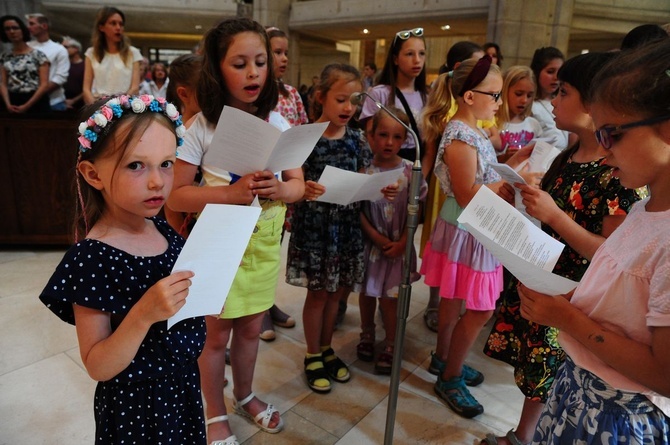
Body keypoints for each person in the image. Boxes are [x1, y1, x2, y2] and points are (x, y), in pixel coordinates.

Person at [481, 51, 645, 445]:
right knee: (537, 375)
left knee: (553, 374)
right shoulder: (567, 155)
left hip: (573, 294)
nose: (552, 101)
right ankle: (525, 433)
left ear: (595, 103)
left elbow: (609, 255)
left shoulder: (617, 172)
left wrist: (554, 216)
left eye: (563, 92)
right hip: (543, 277)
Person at [518, 39, 670, 444]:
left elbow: (663, 374)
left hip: (618, 414)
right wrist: (570, 302)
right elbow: (622, 288)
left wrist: (569, 319)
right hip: (578, 389)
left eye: (613, 134)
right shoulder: (645, 210)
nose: (604, 149)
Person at [38, 94, 205, 444]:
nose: (158, 181)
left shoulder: (161, 229)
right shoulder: (91, 259)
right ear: (92, 173)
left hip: (182, 386)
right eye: (135, 166)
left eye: (167, 163)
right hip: (137, 408)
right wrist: (143, 314)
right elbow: (98, 365)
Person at [168, 18, 305, 444]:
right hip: (218, 245)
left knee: (250, 328)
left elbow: (297, 184)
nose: (253, 73)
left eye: (260, 62)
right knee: (216, 336)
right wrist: (230, 194)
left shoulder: (278, 123)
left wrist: (280, 188)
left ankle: (245, 395)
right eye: (240, 63)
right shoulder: (200, 127)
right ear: (216, 68)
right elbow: (176, 196)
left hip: (263, 245)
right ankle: (214, 413)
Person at [419, 55, 537, 418]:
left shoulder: (471, 131)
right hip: (468, 228)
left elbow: (482, 175)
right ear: (469, 96)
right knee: (481, 307)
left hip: (466, 227)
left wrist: (515, 159)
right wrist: (514, 182)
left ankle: (444, 358)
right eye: (494, 95)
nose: (499, 103)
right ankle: (450, 377)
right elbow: (468, 192)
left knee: (454, 302)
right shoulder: (460, 135)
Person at [286, 63, 395, 394]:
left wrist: (379, 188)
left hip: (345, 227)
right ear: (321, 97)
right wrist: (305, 189)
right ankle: (312, 353)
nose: (349, 108)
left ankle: (327, 347)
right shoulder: (304, 138)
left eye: (355, 101)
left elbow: (362, 178)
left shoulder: (357, 139)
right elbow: (291, 183)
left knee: (337, 292)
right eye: (341, 100)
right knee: (318, 294)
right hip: (317, 228)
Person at [356, 106, 427, 374]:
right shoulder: (365, 172)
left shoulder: (410, 172)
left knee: (391, 298)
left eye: (396, 137)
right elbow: (359, 209)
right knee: (367, 293)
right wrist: (374, 236)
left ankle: (391, 341)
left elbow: (416, 209)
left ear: (405, 140)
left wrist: (404, 243)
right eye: (382, 135)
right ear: (370, 136)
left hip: (399, 246)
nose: (389, 142)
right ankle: (366, 333)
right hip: (371, 246)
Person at [420, 41, 484, 333]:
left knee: (458, 278)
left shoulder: (472, 122)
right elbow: (462, 191)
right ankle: (444, 349)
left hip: (466, 202)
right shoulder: (454, 125)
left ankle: (446, 350)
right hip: (454, 200)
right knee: (451, 270)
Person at [256, 26, 307, 342]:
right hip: (255, 183)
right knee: (254, 249)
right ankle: (258, 311)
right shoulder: (252, 98)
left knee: (273, 246)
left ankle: (267, 302)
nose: (283, 58)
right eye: (276, 52)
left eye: (285, 52)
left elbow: (300, 137)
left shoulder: (291, 95)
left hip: (283, 183)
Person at [359, 27, 427, 163]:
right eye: (409, 54)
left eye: (422, 54)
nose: (417, 60)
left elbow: (429, 146)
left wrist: (420, 177)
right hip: (384, 164)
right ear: (395, 59)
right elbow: (371, 138)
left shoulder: (426, 98)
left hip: (415, 165)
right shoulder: (379, 94)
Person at [83, 7, 142, 105]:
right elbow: (86, 90)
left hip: (124, 106)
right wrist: (96, 109)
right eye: (113, 23)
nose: (118, 27)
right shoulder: (91, 53)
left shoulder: (133, 52)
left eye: (121, 24)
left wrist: (117, 107)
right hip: (98, 106)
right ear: (101, 27)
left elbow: (135, 88)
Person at [0, 15, 51, 114]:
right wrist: (7, 104)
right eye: (7, 29)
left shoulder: (38, 55)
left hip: (35, 101)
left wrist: (26, 106)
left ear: (22, 29)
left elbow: (44, 85)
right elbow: (3, 83)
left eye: (15, 28)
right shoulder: (5, 56)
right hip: (12, 99)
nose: (11, 31)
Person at [491, 65, 542, 160]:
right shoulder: (491, 124)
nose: (524, 100)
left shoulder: (533, 125)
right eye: (519, 94)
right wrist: (504, 158)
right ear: (504, 91)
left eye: (529, 95)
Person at [26, 13, 69, 111]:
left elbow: (60, 77)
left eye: (32, 24)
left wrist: (36, 95)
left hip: (53, 101)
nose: (29, 27)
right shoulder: (27, 47)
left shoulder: (59, 49)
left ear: (44, 26)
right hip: (27, 99)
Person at [530, 47, 570, 151]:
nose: (556, 77)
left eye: (560, 72)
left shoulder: (564, 101)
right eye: (550, 71)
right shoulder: (530, 105)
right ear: (537, 72)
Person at [62, 36, 85, 110]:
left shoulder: (84, 66)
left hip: (80, 106)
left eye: (65, 47)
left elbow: (88, 88)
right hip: (63, 103)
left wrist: (73, 101)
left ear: (76, 49)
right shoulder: (63, 65)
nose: (62, 49)